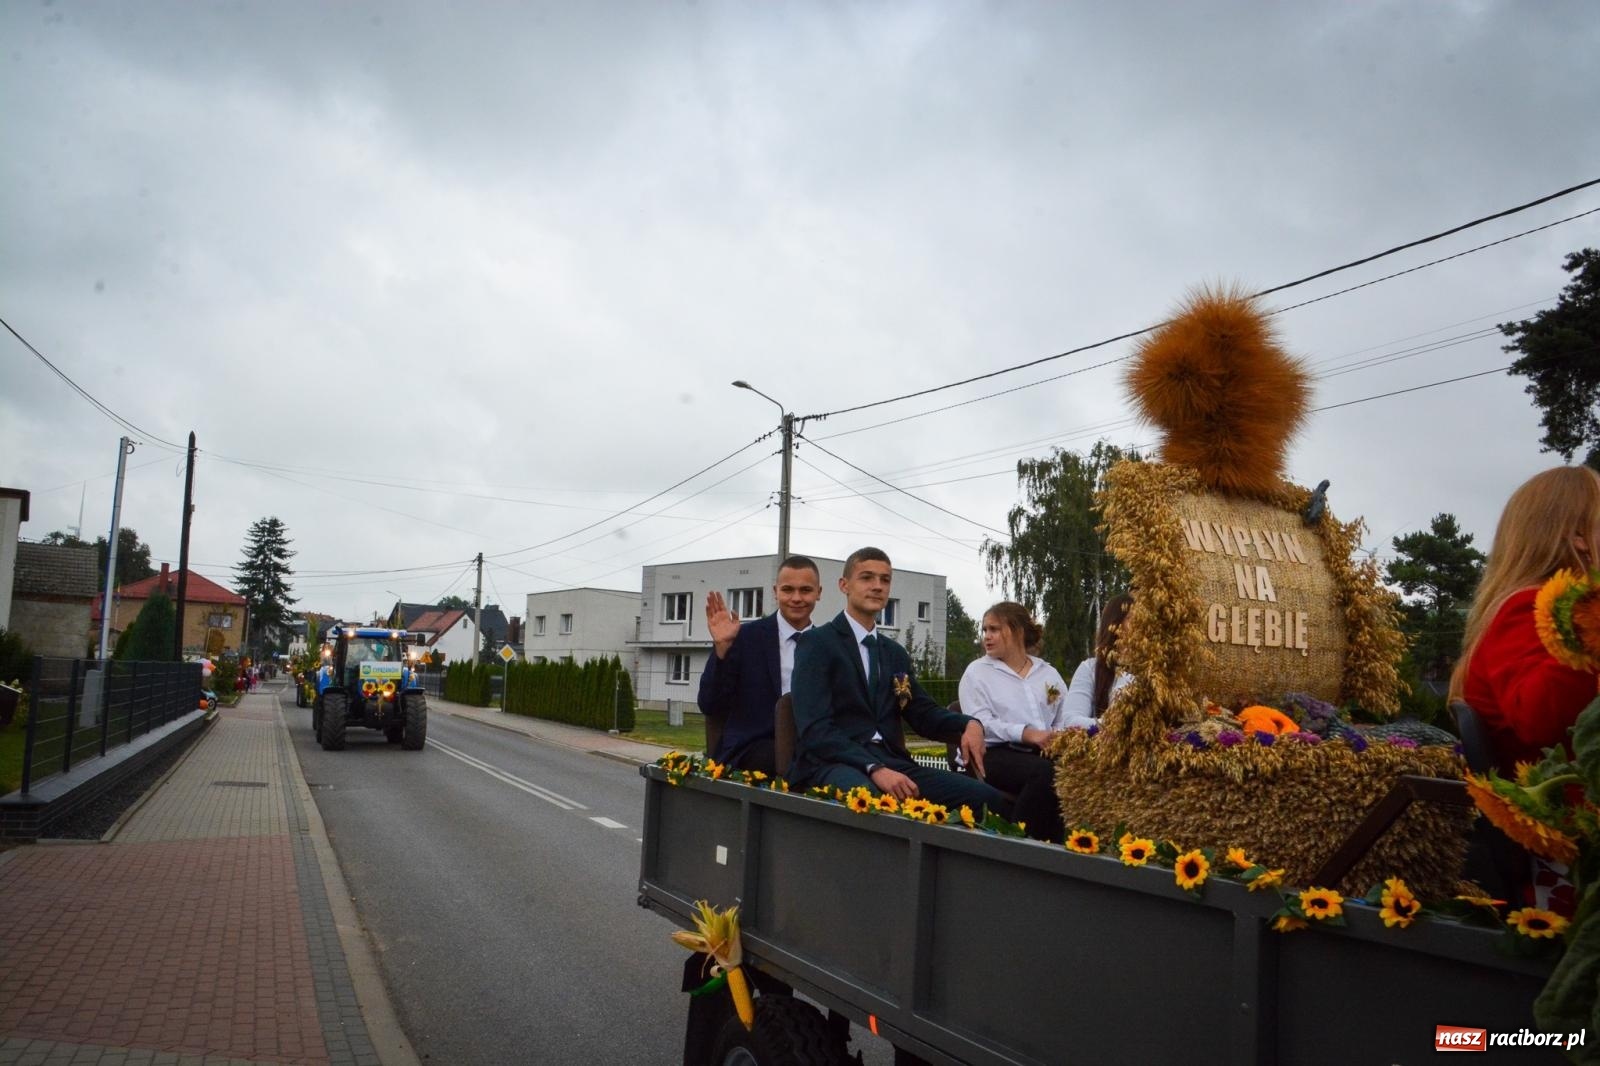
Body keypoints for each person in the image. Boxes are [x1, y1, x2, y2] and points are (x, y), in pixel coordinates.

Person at [790, 546, 1006, 817]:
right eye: (867, 578)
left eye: (885, 579)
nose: (877, 586)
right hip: (833, 763)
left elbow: (922, 713)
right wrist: (873, 768)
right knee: (873, 805)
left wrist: (970, 723)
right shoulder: (817, 644)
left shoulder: (894, 654)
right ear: (844, 585)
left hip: (893, 763)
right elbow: (815, 729)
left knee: (986, 800)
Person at [1451, 465, 1600, 773]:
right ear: (1578, 535)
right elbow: (1540, 721)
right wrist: (1589, 628)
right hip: (1570, 811)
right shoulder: (1529, 608)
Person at [958, 602, 1084, 842]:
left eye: (994, 629)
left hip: (1042, 752)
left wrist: (1057, 737)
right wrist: (1027, 734)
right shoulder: (977, 673)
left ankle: (1064, 848)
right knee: (1045, 773)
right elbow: (981, 723)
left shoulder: (1047, 673)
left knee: (1076, 772)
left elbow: (1065, 717)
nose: (987, 636)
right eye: (984, 630)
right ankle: (1017, 842)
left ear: (1017, 631)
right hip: (993, 753)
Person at [697, 555, 823, 775]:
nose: (796, 598)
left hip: (814, 746)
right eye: (787, 590)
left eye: (805, 590)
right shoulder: (745, 638)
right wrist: (721, 650)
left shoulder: (827, 645)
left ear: (818, 593)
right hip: (754, 749)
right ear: (775, 591)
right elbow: (710, 705)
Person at [1062, 594, 1135, 721]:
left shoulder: (1155, 669)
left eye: (1143, 620)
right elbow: (1071, 720)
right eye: (1131, 619)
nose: (1140, 626)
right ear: (1114, 624)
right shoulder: (1090, 669)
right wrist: (1109, 726)